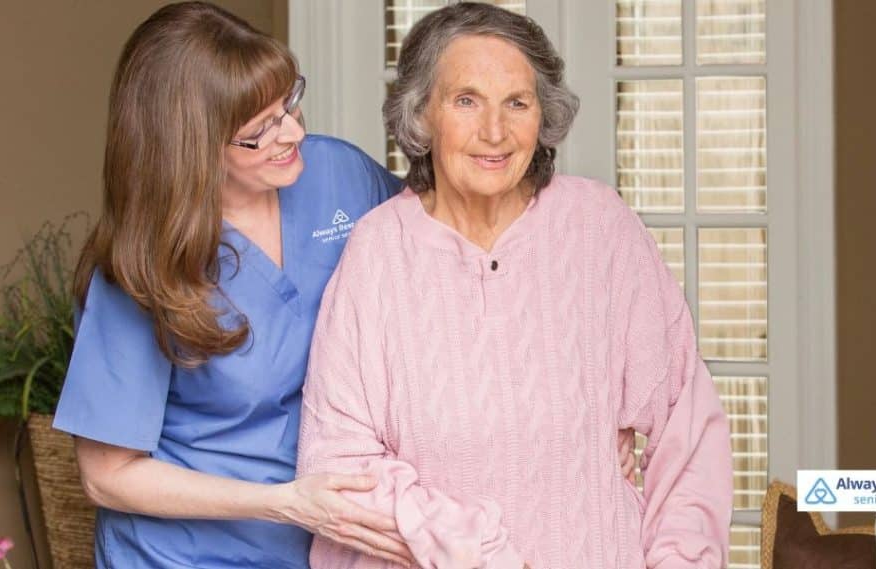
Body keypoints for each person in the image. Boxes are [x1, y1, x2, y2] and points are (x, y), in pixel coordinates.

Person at [296, 3, 734, 569]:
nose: (495, 132)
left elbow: (686, 425)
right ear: (422, 115)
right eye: (466, 101)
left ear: (541, 113)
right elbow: (338, 465)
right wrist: (476, 548)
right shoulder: (378, 253)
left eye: (517, 103)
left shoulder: (599, 227)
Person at [52, 3, 414, 567]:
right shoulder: (140, 267)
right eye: (257, 131)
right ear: (188, 147)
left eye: (288, 102)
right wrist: (286, 504)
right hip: (185, 555)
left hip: (322, 544)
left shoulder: (339, 175)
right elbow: (108, 477)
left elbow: (446, 256)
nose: (292, 131)